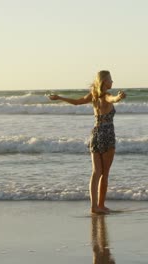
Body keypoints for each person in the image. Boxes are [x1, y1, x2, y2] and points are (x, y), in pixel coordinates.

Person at [48, 70, 126, 214]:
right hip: (107, 135)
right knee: (105, 174)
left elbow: (77, 102)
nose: (112, 82)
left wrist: (59, 97)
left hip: (95, 134)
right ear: (104, 82)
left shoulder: (93, 96)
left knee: (96, 172)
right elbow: (112, 99)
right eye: (110, 79)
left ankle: (94, 206)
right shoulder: (106, 95)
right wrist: (119, 97)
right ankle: (101, 206)